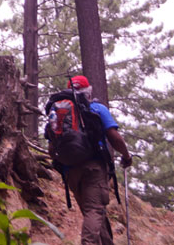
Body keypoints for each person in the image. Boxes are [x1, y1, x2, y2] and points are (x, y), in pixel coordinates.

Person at [54, 75, 132, 245]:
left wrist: (65, 166)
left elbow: (51, 148)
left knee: (93, 212)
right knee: (94, 211)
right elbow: (114, 137)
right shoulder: (97, 108)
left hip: (71, 171)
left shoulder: (59, 113)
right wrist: (126, 156)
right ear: (88, 91)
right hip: (93, 168)